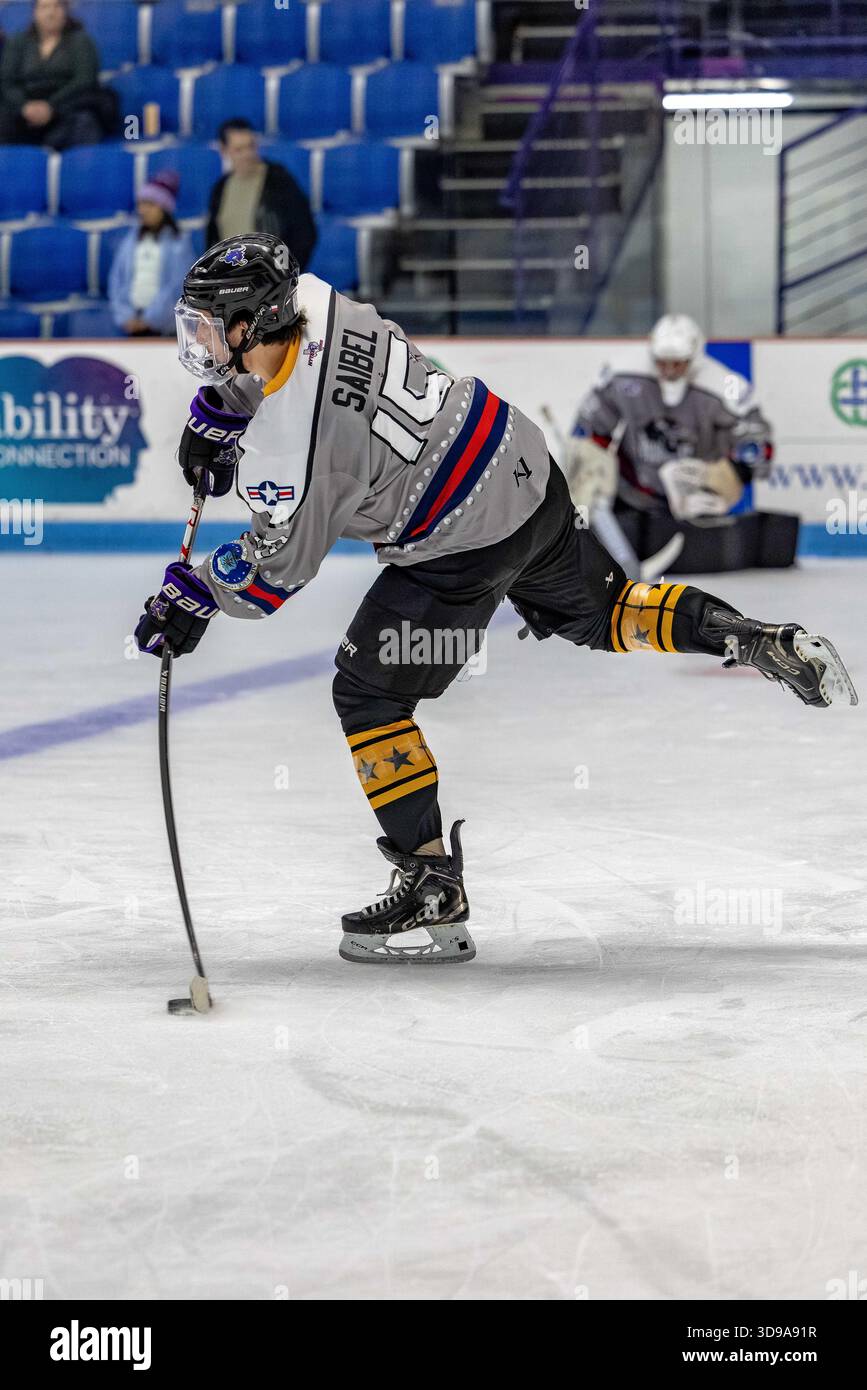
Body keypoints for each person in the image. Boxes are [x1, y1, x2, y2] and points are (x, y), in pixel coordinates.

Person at [133, 238, 857, 966]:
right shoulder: (315, 297)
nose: (194, 340)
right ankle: (748, 635)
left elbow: (273, 572)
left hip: (459, 538)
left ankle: (431, 883)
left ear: (253, 322)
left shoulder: (304, 449)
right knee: (606, 611)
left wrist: (194, 595)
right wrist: (223, 411)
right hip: (519, 461)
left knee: (368, 695)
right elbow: (285, 385)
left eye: (207, 326)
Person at [565, 314, 798, 572]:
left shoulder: (724, 387)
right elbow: (589, 425)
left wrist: (726, 476)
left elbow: (758, 445)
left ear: (695, 358)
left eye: (678, 364)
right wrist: (588, 461)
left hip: (696, 493)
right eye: (662, 363)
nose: (669, 371)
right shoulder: (623, 374)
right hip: (634, 491)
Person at [206, 118, 316, 269]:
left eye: (251, 146)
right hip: (234, 280)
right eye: (239, 149)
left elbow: (304, 232)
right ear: (224, 150)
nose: (247, 154)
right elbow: (213, 240)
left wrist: (284, 272)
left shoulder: (278, 179)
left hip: (271, 278)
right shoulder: (219, 189)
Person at [0, 0, 112, 149]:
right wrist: (25, 106)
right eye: (44, 7)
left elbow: (85, 80)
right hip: (24, 112)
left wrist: (51, 106)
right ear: (35, 12)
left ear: (66, 11)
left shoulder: (81, 41)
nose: (51, 13)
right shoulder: (18, 42)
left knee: (84, 122)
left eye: (57, 6)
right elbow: (6, 81)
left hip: (67, 109)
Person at [108, 171, 193, 337]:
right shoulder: (130, 241)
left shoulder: (178, 242)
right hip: (131, 324)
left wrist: (151, 319)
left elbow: (177, 285)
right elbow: (116, 280)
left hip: (163, 328)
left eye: (150, 204)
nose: (143, 210)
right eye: (141, 204)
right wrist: (125, 317)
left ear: (164, 208)